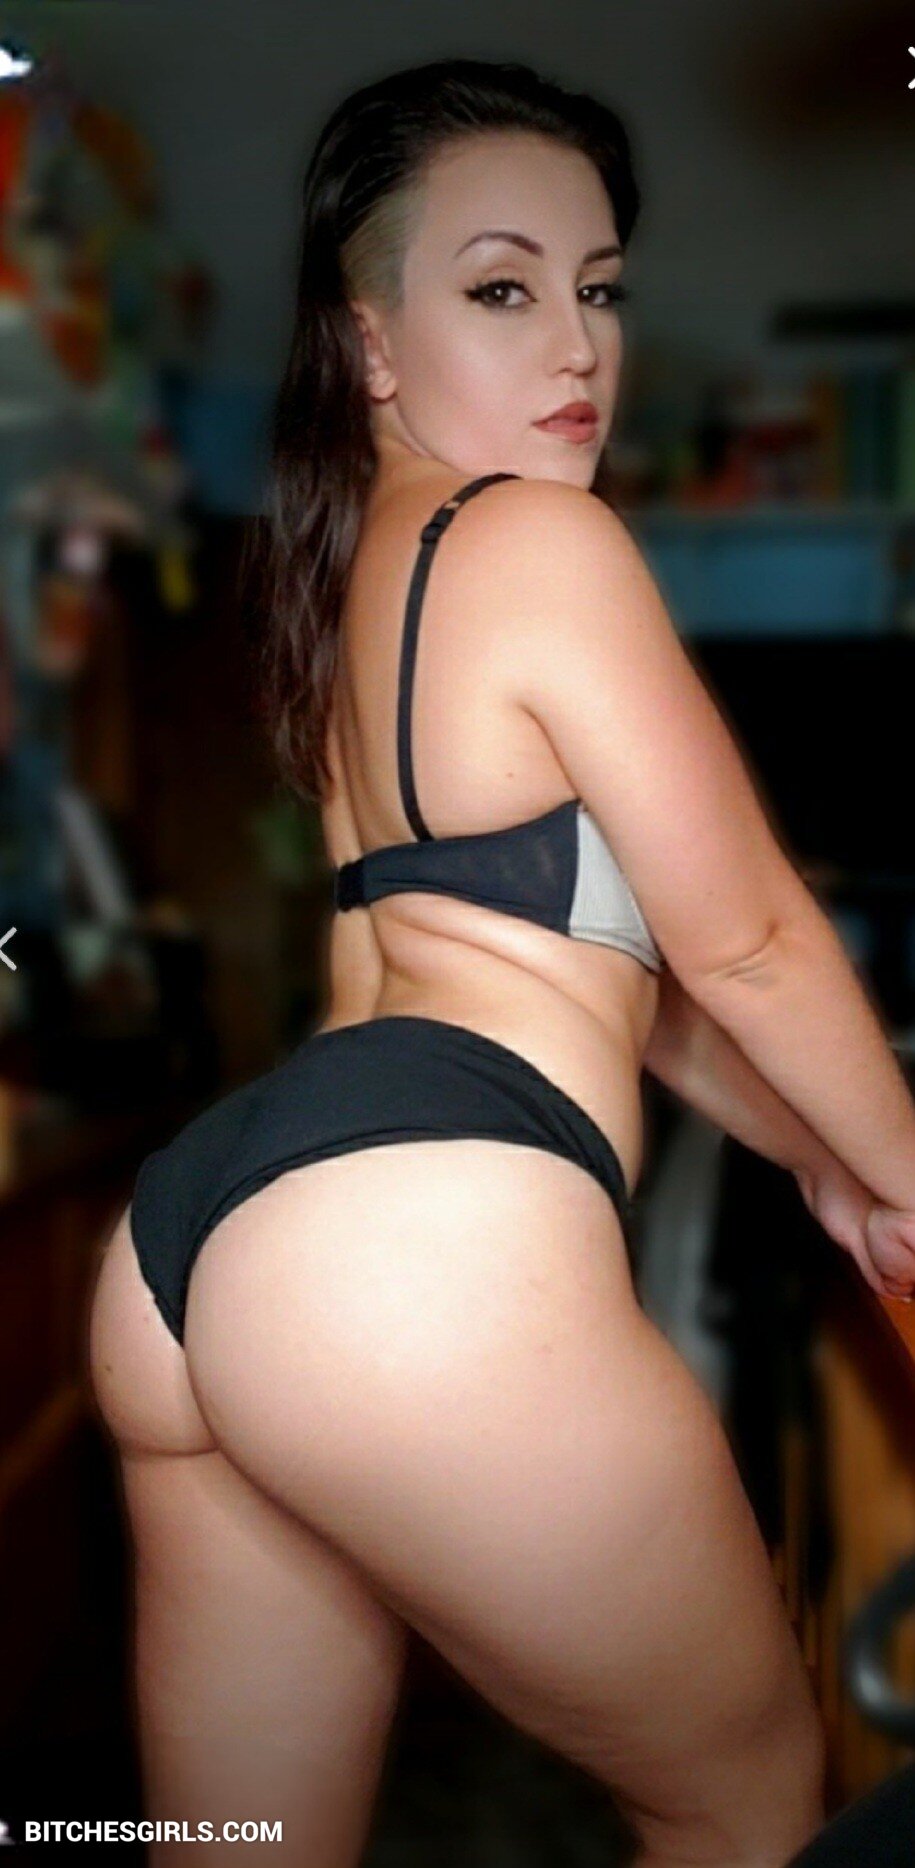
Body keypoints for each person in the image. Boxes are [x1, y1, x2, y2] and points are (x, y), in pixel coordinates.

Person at [88, 57, 915, 1868]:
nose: (578, 345)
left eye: (598, 289)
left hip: (206, 1254)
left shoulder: (349, 600)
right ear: (372, 343)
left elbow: (603, 975)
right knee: (746, 1802)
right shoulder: (539, 539)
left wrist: (827, 1163)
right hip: (417, 1247)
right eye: (501, 287)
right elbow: (749, 938)